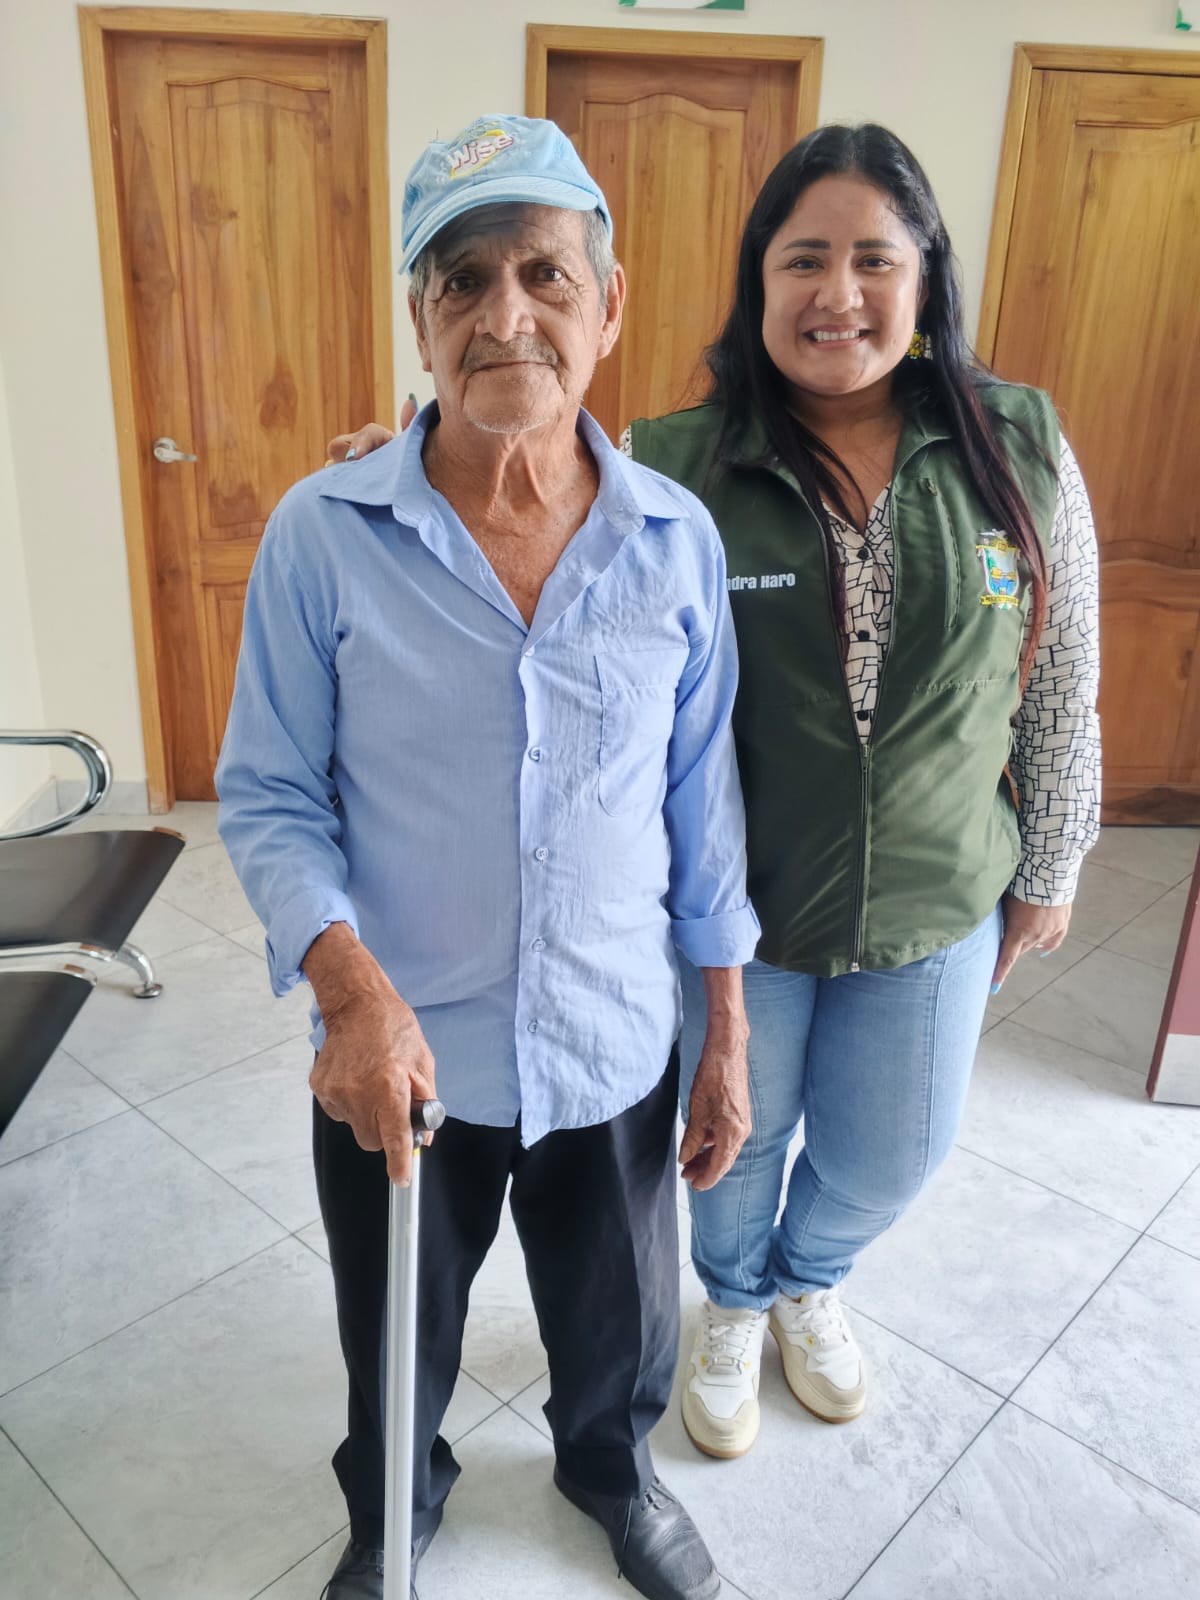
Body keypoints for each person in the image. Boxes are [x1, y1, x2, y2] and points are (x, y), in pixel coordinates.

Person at [331, 123, 1100, 1463]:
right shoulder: (680, 456)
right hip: (744, 900)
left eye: (874, 259)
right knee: (729, 1150)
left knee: (894, 1151)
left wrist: (1053, 860)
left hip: (937, 895)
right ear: (757, 285)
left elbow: (1065, 665)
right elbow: (540, 460)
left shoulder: (1014, 445)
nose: (837, 293)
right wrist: (406, 458)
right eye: (803, 260)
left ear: (926, 278)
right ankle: (737, 1301)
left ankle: (813, 1278)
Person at [217, 113, 761, 1600]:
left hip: (612, 1039)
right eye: (461, 280)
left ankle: (613, 1474)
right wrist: (347, 994)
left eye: (543, 274)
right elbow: (267, 792)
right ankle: (396, 1500)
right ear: (420, 319)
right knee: (395, 1331)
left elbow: (702, 800)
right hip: (405, 1054)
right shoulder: (322, 536)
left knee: (622, 1325)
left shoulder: (675, 542)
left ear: (609, 305)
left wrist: (721, 1028)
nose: (503, 314)